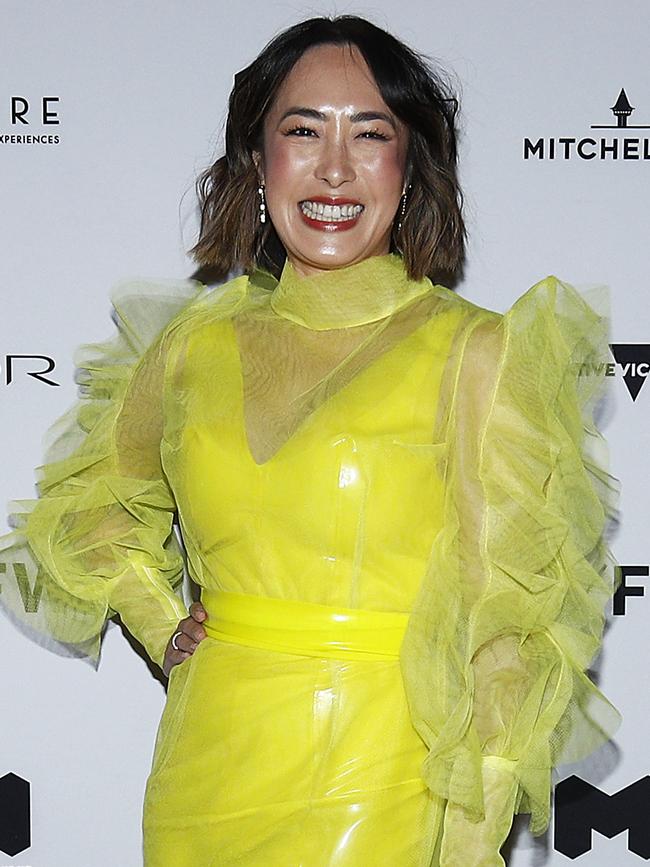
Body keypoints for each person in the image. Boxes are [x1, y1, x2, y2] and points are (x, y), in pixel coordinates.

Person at [0, 14, 621, 867]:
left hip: (385, 774)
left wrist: (471, 839)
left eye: (371, 134)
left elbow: (503, 620)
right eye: (303, 131)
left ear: (411, 170)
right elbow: (95, 507)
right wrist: (161, 618)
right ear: (258, 161)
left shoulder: (476, 351)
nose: (335, 168)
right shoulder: (189, 348)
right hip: (205, 767)